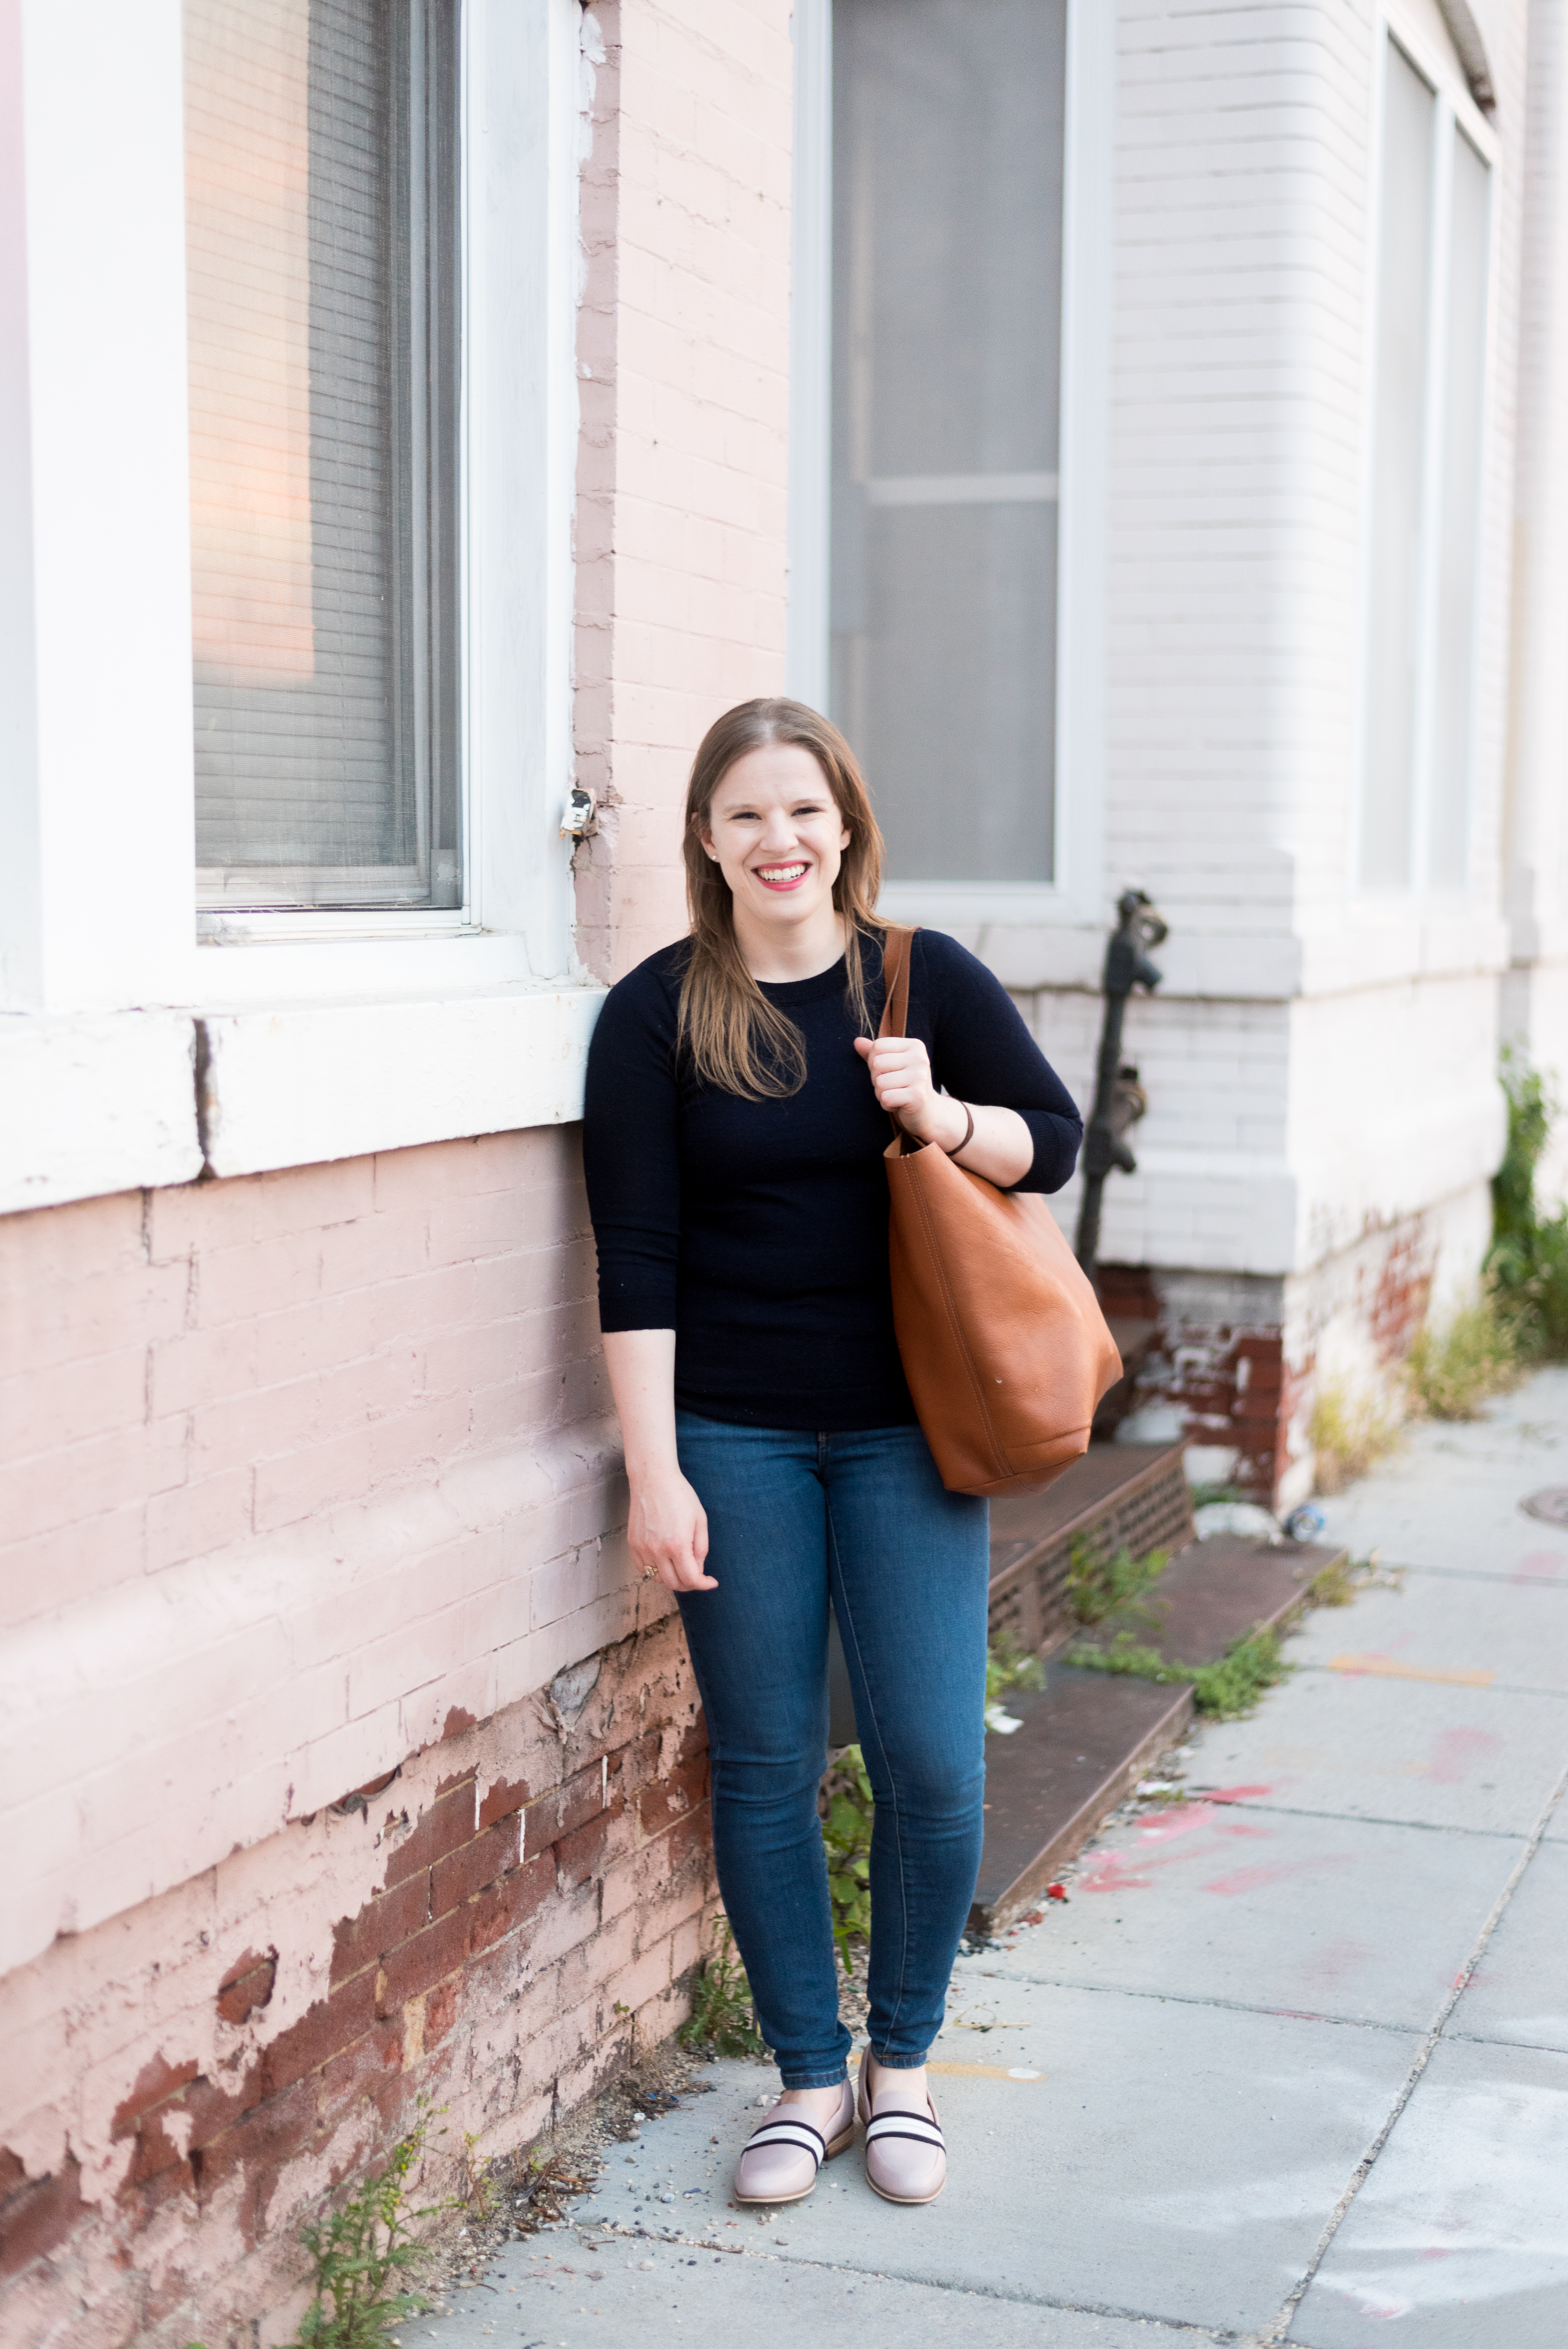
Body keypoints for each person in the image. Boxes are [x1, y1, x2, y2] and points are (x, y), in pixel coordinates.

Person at [582, 699, 1082, 2206]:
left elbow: (1054, 1143)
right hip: (732, 1433)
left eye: (803, 810)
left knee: (931, 1757)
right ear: (706, 841)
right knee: (767, 1762)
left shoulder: (922, 979)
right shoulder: (658, 1014)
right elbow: (638, 1257)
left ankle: (905, 2066)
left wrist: (943, 1110)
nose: (778, 840)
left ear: (848, 826)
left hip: (906, 1433)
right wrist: (653, 1470)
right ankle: (808, 2074)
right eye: (744, 815)